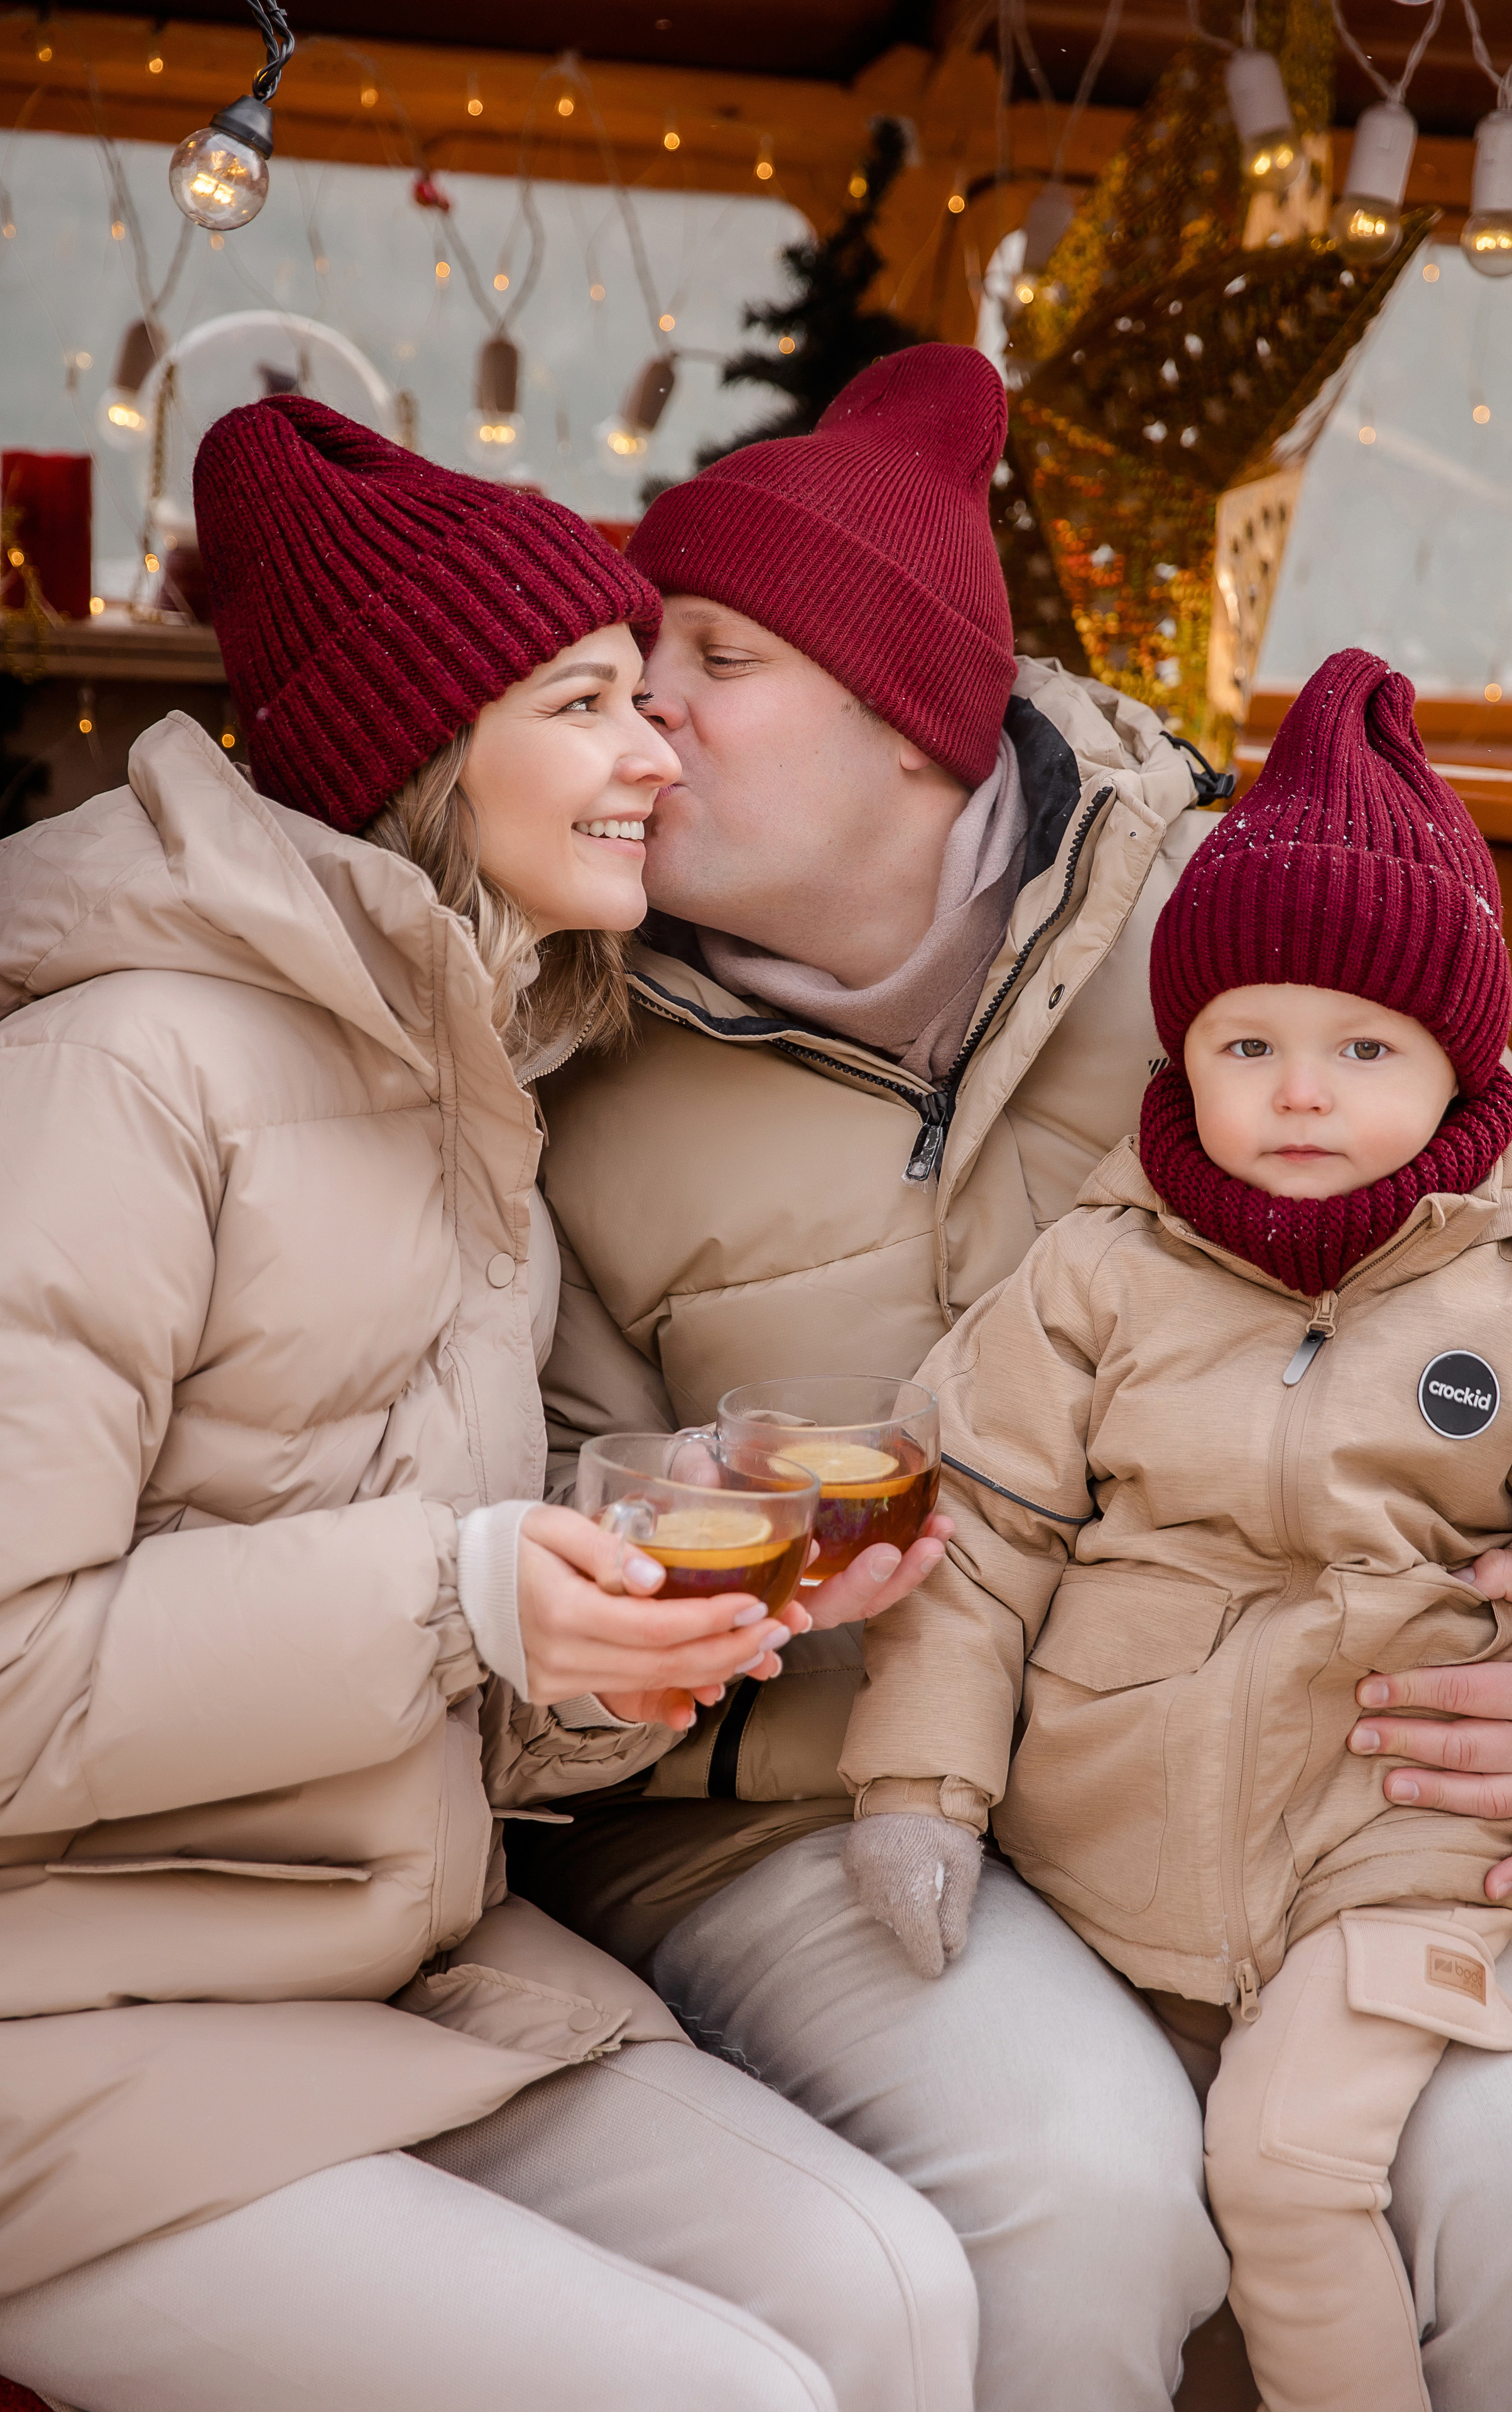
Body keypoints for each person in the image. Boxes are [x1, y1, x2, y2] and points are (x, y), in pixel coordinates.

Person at [520, 344, 1512, 2409]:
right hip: (795, 1803)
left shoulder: (1268, 916)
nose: (637, 703)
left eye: (713, 651)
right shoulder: (561, 1035)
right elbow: (517, 1509)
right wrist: (675, 1543)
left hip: (1303, 1756)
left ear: (906, 720)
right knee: (1087, 2187)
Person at [0, 397, 976, 2412]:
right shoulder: (124, 1076)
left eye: (660, 695)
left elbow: (445, 1674)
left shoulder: (480, 1099)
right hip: (72, 2022)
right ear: (433, 746)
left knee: (898, 2293)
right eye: (592, 702)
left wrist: (620, 1629)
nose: (657, 751)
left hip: (381, 1967)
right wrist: (457, 1590)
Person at [837, 647, 1512, 2412]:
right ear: (1183, 1054)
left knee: (1286, 2170)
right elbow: (981, 1535)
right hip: (1124, 1845)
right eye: (1247, 1044)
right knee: (1130, 2185)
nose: (1302, 1092)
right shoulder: (1102, 1273)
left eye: (1363, 1047)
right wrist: (922, 1791)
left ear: (1459, 1064)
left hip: (1401, 1838)